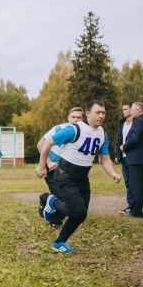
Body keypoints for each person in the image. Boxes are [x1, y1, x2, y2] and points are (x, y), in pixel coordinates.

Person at [36, 100, 121, 253]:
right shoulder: (74, 130)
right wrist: (43, 166)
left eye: (103, 113)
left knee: (81, 214)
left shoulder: (102, 134)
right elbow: (47, 143)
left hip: (82, 177)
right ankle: (52, 202)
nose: (101, 116)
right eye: (98, 112)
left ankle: (59, 243)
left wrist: (113, 173)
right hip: (65, 174)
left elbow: (105, 158)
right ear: (87, 114)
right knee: (78, 211)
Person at [36, 107, 83, 226]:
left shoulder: (83, 133)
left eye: (79, 117)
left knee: (71, 196)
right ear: (68, 118)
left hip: (68, 169)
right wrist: (48, 163)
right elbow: (40, 144)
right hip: (52, 168)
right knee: (62, 198)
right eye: (73, 117)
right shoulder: (59, 129)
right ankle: (54, 219)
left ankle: (45, 199)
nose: (76, 120)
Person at [121, 102, 143, 219]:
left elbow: (135, 138)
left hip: (136, 159)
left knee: (136, 186)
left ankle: (135, 212)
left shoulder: (139, 121)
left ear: (139, 111)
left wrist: (124, 146)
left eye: (132, 110)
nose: (130, 112)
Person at [115, 102, 134, 215]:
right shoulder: (121, 122)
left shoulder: (137, 123)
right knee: (127, 182)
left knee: (134, 182)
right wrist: (118, 154)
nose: (124, 111)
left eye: (126, 109)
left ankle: (135, 206)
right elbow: (119, 139)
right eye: (123, 109)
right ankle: (130, 206)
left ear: (132, 110)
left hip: (134, 157)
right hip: (124, 158)